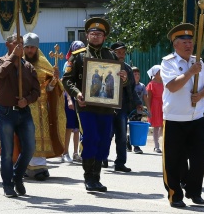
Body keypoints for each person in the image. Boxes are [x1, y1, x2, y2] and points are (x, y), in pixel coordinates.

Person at [62, 17, 126, 192]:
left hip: (106, 106)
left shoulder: (111, 55)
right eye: (93, 33)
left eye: (99, 34)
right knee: (91, 138)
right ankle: (88, 177)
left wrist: (123, 79)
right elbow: (67, 80)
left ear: (104, 37)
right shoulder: (78, 56)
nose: (96, 36)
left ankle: (97, 177)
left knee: (104, 141)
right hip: (85, 107)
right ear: (87, 36)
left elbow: (121, 81)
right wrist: (77, 94)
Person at [160, 23, 204, 208]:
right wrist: (191, 72)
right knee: (173, 160)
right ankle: (175, 194)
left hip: (196, 118)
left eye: (190, 41)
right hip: (175, 119)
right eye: (184, 41)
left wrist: (201, 95)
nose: (188, 44)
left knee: (201, 156)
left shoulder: (198, 61)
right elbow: (173, 86)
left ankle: (194, 191)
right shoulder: (168, 63)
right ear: (175, 44)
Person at [0, 35, 40, 197]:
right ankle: (7, 185)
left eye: (22, 44)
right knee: (7, 151)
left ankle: (17, 175)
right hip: (6, 111)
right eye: (16, 44)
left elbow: (36, 91)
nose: (20, 46)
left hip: (23, 111)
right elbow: (0, 73)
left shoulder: (27, 66)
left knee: (30, 147)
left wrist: (26, 100)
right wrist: (13, 56)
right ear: (8, 44)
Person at [22, 33, 65, 180]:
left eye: (32, 47)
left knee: (42, 135)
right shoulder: (18, 62)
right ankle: (27, 166)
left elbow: (50, 89)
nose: (29, 50)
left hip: (41, 107)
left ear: (37, 48)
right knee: (27, 135)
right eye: (27, 47)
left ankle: (40, 166)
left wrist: (54, 80)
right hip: (25, 105)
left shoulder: (44, 64)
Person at [109, 41, 139, 172]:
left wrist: (138, 104)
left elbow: (132, 88)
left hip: (122, 107)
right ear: (112, 53)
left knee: (121, 136)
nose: (122, 55)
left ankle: (120, 162)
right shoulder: (106, 66)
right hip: (107, 107)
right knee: (106, 134)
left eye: (123, 52)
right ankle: (102, 159)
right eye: (118, 52)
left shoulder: (127, 68)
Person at [61, 41, 84, 163]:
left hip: (80, 98)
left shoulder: (85, 64)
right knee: (69, 127)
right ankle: (65, 152)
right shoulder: (68, 63)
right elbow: (66, 82)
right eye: (78, 49)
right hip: (70, 98)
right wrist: (69, 99)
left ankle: (76, 152)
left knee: (77, 128)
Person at [144, 65, 164, 153]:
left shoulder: (165, 83)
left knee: (164, 125)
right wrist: (149, 109)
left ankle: (158, 138)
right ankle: (156, 146)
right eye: (160, 72)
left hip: (164, 105)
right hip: (155, 106)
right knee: (156, 126)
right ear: (155, 74)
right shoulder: (151, 84)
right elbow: (148, 98)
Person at [131, 66, 146, 154]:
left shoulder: (142, 86)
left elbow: (145, 97)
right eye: (135, 74)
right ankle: (135, 146)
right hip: (131, 110)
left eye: (138, 74)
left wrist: (148, 109)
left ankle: (132, 142)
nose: (137, 76)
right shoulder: (129, 86)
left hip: (139, 110)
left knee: (137, 127)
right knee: (133, 126)